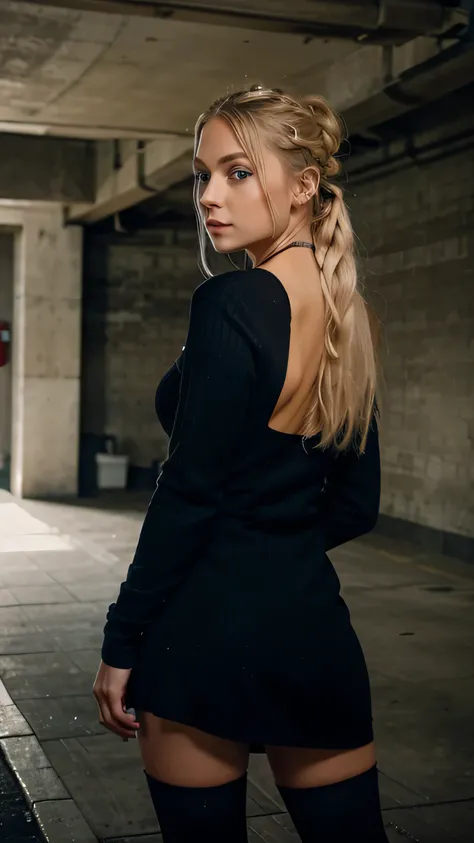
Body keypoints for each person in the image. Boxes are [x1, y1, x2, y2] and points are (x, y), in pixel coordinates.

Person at [93, 86, 387, 842]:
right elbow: (356, 503)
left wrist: (122, 640)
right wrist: (274, 551)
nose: (210, 197)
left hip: (200, 634)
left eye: (237, 173)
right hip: (310, 629)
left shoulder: (233, 302)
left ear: (303, 186)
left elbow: (187, 493)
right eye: (203, 175)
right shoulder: (346, 310)